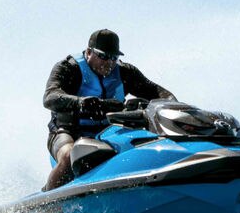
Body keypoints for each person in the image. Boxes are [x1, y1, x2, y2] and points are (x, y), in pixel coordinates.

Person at [42, 29, 175, 190]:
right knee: (70, 155)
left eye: (113, 58)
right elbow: (50, 97)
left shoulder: (125, 72)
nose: (109, 63)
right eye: (103, 56)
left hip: (109, 132)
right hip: (67, 132)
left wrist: (173, 105)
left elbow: (159, 93)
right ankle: (48, 200)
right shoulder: (69, 68)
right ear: (89, 52)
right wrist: (82, 102)